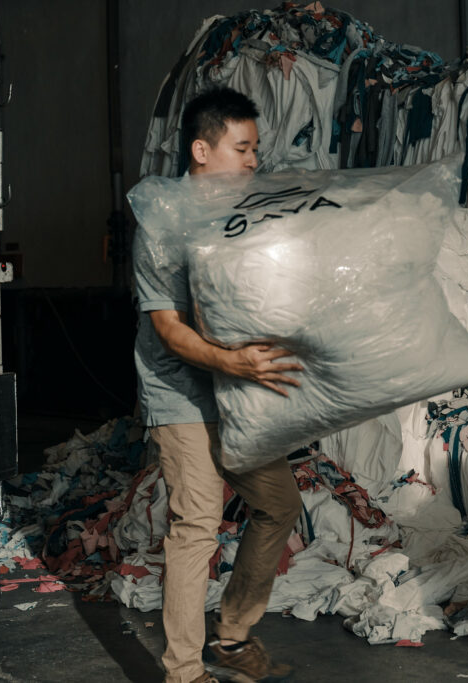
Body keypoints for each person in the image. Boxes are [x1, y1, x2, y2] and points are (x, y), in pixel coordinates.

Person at [133, 86, 304, 683]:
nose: (254, 160)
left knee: (279, 506)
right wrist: (229, 363)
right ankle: (183, 672)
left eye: (256, 147)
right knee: (198, 525)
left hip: (240, 397)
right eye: (243, 148)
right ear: (202, 150)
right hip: (181, 394)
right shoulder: (160, 223)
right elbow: (168, 329)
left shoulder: (242, 214)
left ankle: (230, 635)